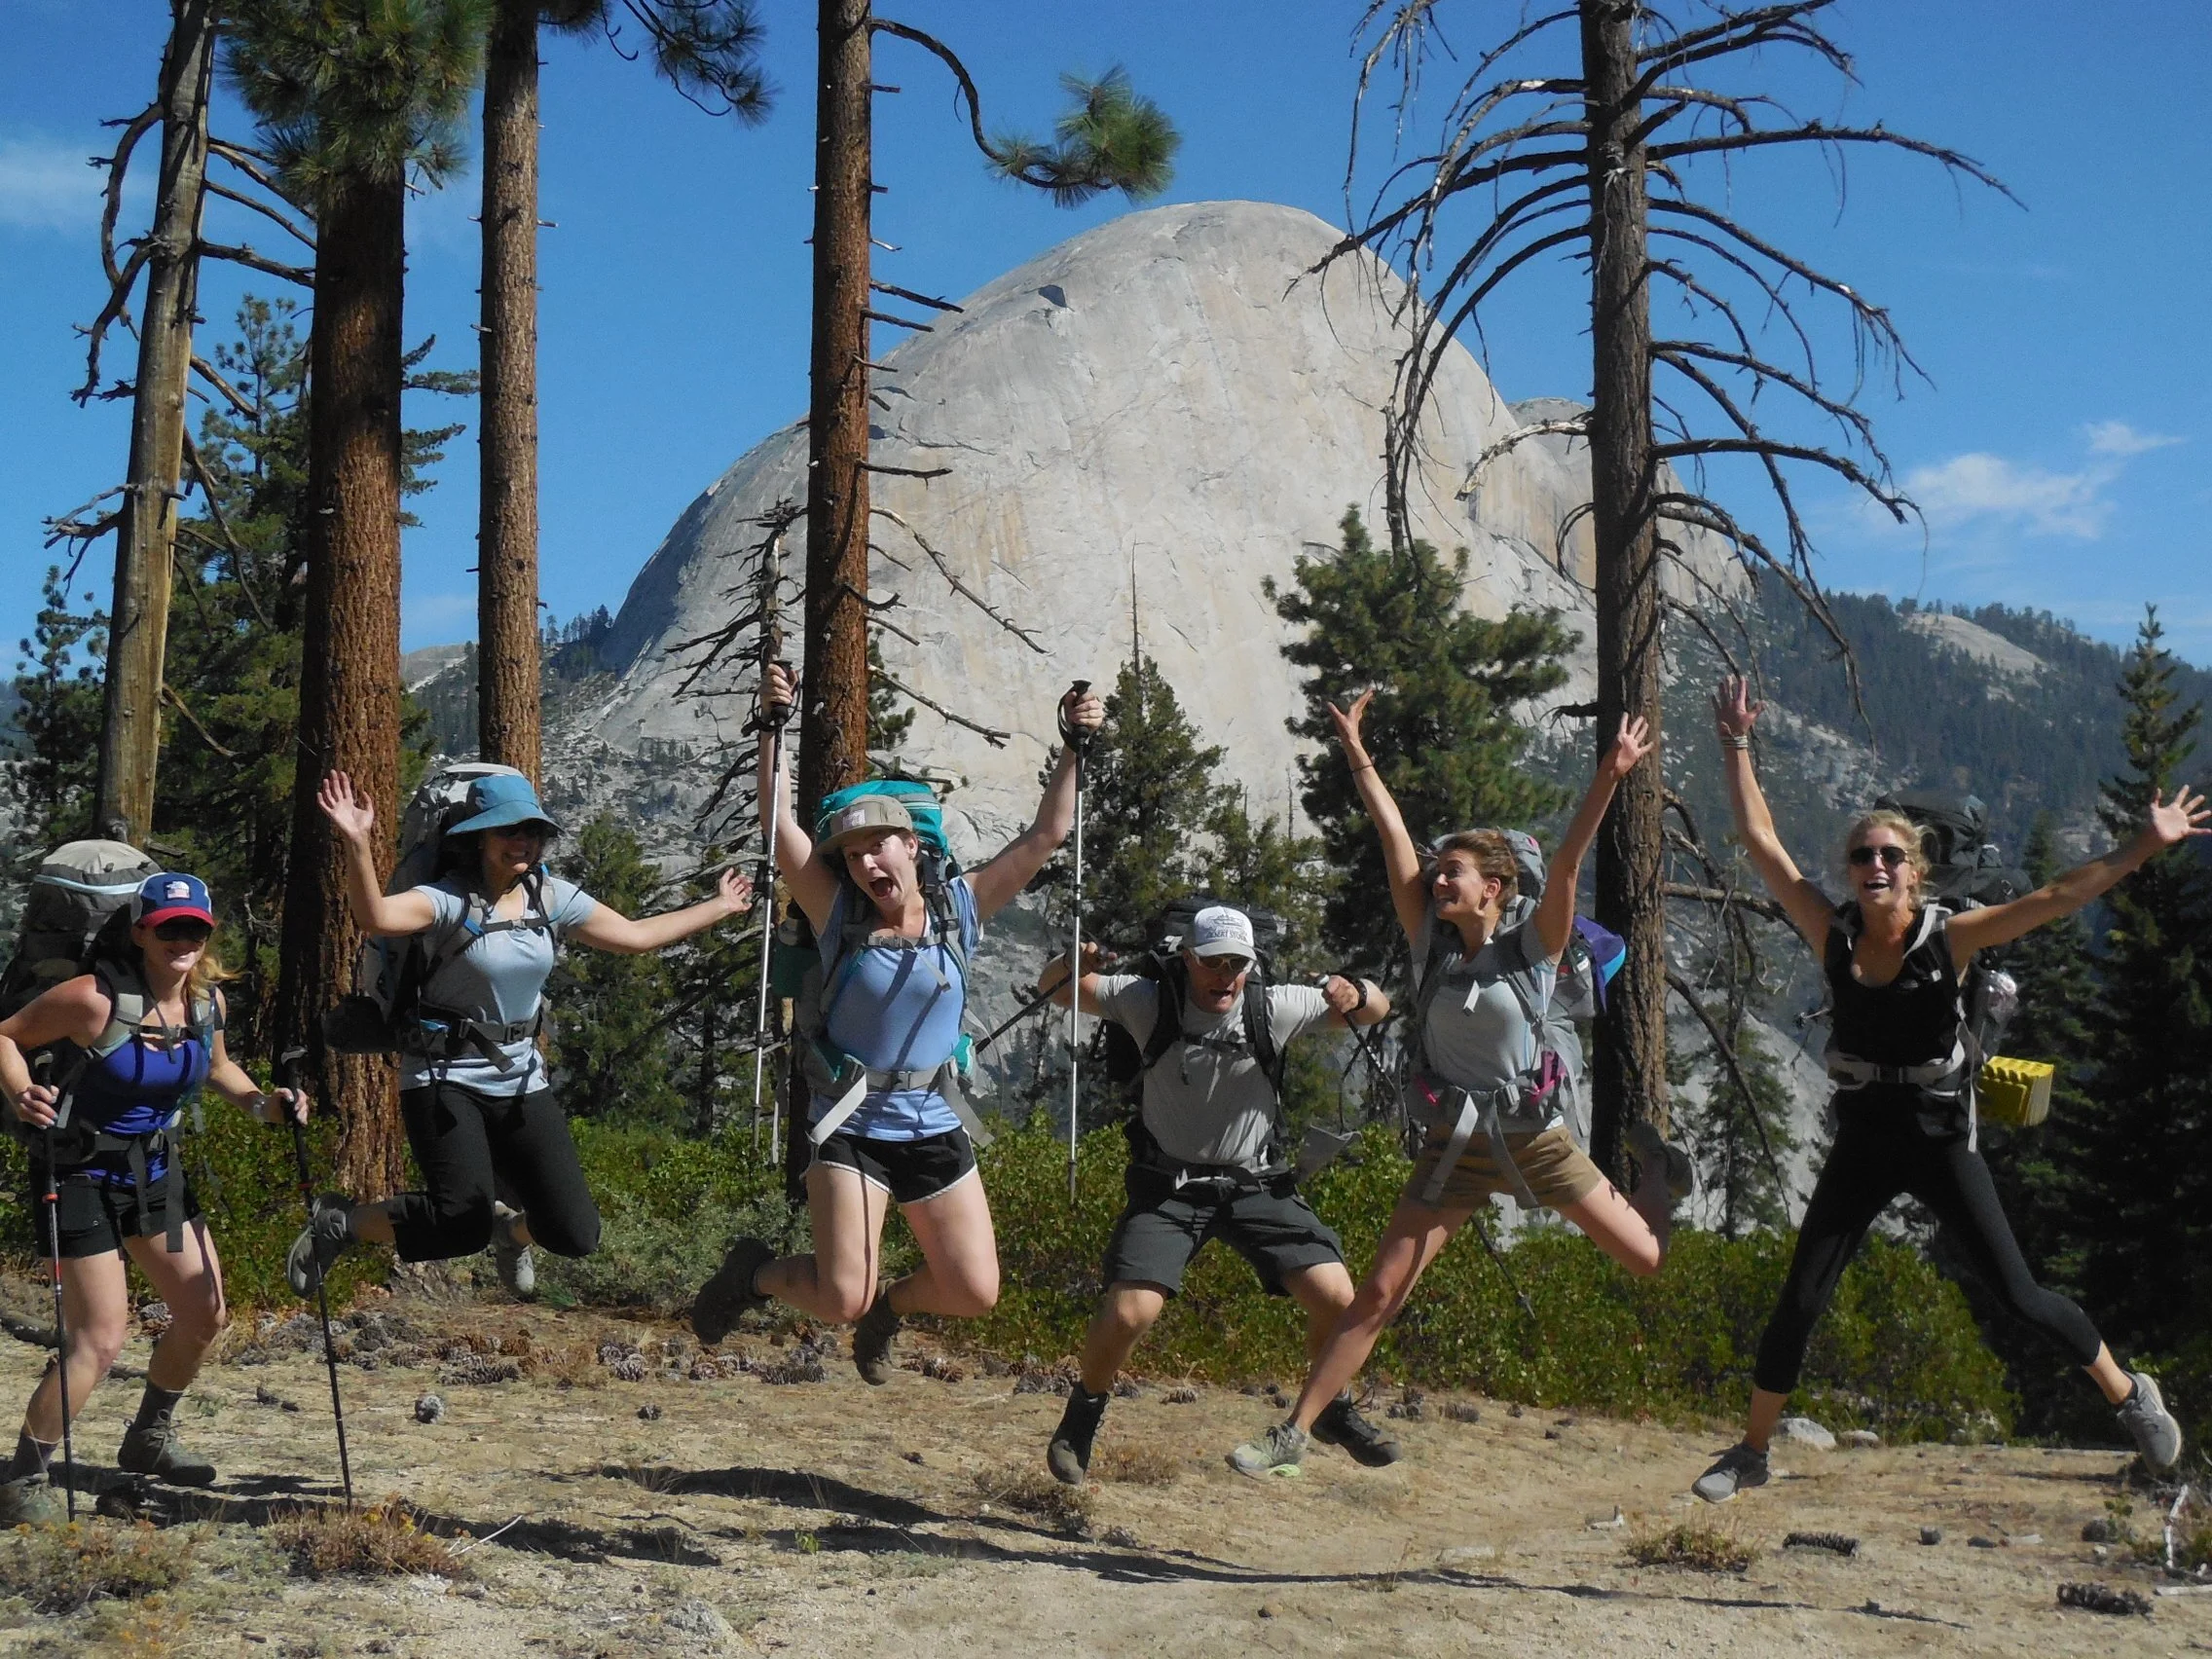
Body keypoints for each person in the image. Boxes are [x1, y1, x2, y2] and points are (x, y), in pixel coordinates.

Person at [1691, 676, 2204, 1500]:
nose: (1876, 866)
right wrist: (1735, 743)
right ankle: (1750, 1453)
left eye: (1891, 856)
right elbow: (1761, 841)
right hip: (1865, 1136)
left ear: (1916, 872)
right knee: (1802, 1297)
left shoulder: (1951, 939)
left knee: (2021, 1295)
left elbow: (2055, 896)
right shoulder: (1832, 932)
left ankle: (2128, 1393)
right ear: (1852, 872)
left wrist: (2142, 846)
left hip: (1936, 1136)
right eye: (1863, 856)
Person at [1229, 693, 1684, 1479]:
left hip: (1538, 1142)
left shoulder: (1536, 948)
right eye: (1438, 873)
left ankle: (1658, 1183)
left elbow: (1571, 862)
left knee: (1646, 1258)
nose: (1438, 880)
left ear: (1496, 890)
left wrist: (1610, 777)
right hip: (1454, 1148)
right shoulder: (1431, 949)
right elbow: (1392, 838)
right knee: (1378, 1294)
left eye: (1456, 873)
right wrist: (1357, 752)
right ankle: (1294, 1435)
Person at [690, 664, 1104, 1381]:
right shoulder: (836, 916)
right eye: (851, 855)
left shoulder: (961, 908)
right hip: (851, 1126)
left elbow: (1048, 832)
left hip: (934, 1123)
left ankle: (893, 1310)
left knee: (975, 1292)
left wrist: (1073, 744)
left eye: (879, 845)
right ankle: (752, 1277)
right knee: (839, 1295)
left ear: (913, 847)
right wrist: (771, 727)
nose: (866, 863)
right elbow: (777, 824)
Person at [289, 770, 752, 1297]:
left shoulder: (549, 898)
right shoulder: (445, 900)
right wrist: (356, 844)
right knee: (458, 1222)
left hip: (520, 1078)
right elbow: (375, 917)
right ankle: (341, 1223)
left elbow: (636, 937)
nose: (523, 840)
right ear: (478, 838)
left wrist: (720, 906)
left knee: (575, 1232)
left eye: (532, 830)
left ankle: (511, 1233)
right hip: (444, 1077)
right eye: (508, 830)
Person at [1034, 906, 1394, 1483]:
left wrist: (1357, 991)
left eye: (1237, 963)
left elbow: (1377, 1010)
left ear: (1251, 966)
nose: (1224, 975)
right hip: (1168, 1187)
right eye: (1212, 962)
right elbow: (1058, 991)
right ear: (1188, 960)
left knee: (1337, 1297)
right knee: (1130, 1312)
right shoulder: (1148, 1001)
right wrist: (1075, 960)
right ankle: (1081, 1418)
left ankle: (1332, 1410)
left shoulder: (1274, 1007)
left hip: (1254, 1183)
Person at [0, 872, 305, 1519]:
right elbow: (5, 1034)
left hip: (155, 1175)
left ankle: (149, 1436)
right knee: (100, 1338)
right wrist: (20, 1090)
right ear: (141, 931)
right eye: (169, 927)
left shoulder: (206, 1005)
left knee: (205, 1313)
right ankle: (25, 1478)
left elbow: (218, 1069)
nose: (183, 938)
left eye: (194, 927)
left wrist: (265, 1105)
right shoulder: (91, 1000)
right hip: (78, 1174)